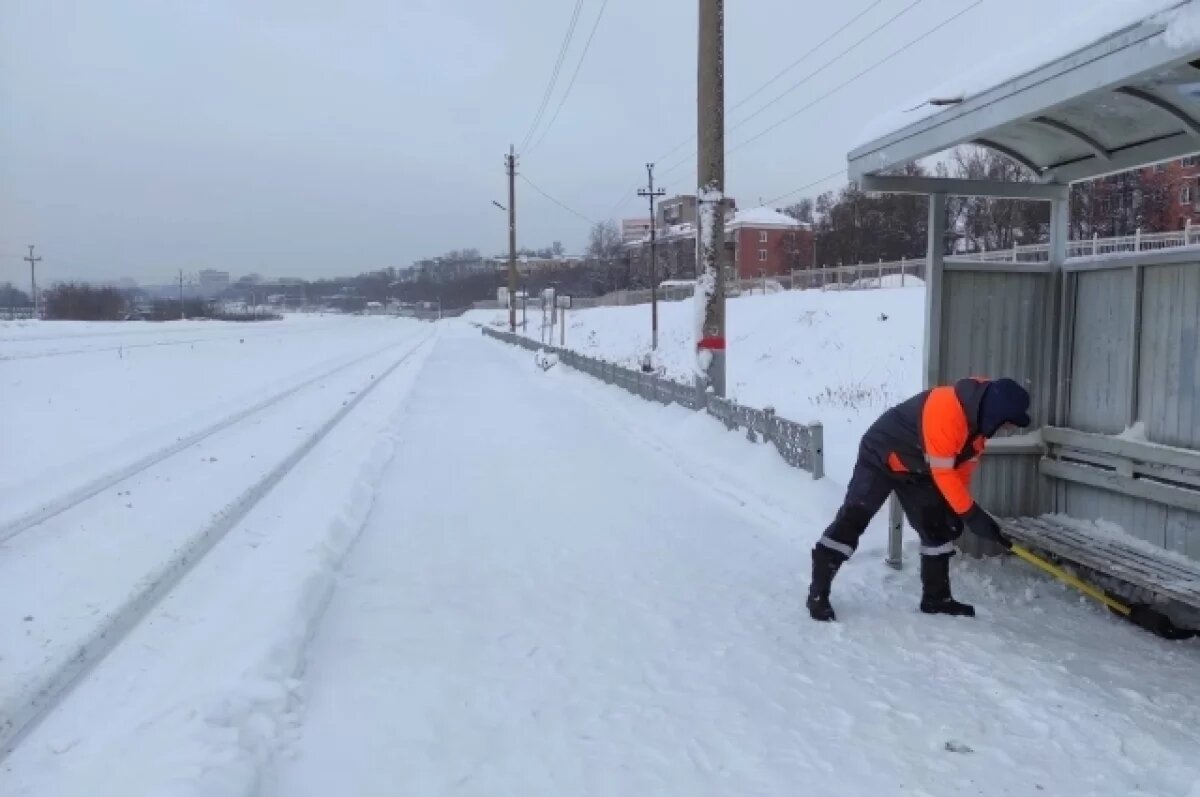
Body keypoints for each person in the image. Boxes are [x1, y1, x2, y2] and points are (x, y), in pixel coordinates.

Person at [807, 377, 1032, 622]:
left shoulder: (977, 432)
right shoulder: (947, 411)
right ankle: (818, 592)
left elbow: (960, 471)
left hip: (919, 467)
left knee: (936, 527)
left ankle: (937, 598)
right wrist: (971, 514)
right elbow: (944, 472)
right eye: (1007, 423)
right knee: (854, 518)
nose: (1006, 429)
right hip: (881, 455)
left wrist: (957, 508)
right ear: (995, 412)